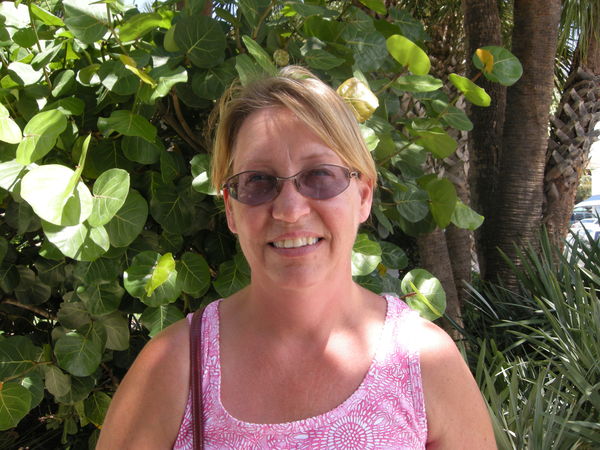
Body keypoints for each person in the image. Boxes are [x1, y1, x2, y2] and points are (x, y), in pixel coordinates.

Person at [97, 66, 496, 449]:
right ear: (231, 209)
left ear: (363, 196)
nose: (289, 210)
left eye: (320, 174)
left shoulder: (424, 362)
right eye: (257, 180)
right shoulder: (175, 366)